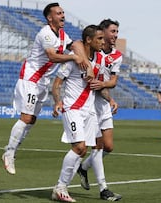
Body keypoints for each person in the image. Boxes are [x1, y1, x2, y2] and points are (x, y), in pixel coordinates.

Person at [1, 2, 92, 175]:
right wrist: (73, 57)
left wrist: (85, 62)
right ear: (50, 18)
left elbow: (76, 44)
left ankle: (12, 148)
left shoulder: (62, 34)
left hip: (42, 81)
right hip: (31, 78)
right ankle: (9, 153)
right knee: (26, 118)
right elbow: (52, 56)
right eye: (59, 13)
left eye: (63, 12)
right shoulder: (46, 33)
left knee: (32, 120)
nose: (63, 15)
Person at [51, 24, 105, 203]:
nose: (102, 42)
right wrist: (58, 101)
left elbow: (98, 85)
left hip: (89, 111)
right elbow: (57, 84)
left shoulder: (100, 60)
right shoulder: (72, 61)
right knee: (79, 147)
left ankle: (62, 187)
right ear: (88, 40)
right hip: (72, 108)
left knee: (82, 152)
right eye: (99, 38)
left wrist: (109, 97)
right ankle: (60, 187)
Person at [77, 19, 122, 201]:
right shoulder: (90, 50)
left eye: (117, 32)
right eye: (112, 31)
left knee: (108, 147)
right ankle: (104, 189)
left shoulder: (116, 56)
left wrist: (108, 95)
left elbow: (112, 82)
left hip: (103, 102)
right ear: (102, 33)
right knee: (97, 146)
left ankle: (83, 167)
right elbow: (76, 46)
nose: (115, 35)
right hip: (90, 104)